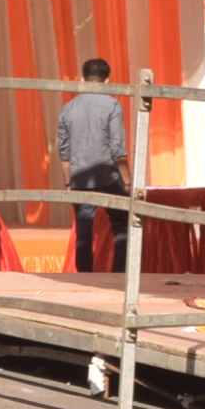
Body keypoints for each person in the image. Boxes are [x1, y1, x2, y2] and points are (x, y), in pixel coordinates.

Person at [56, 57, 129, 275]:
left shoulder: (68, 108)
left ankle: (85, 276)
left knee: (83, 230)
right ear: (108, 80)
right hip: (108, 175)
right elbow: (117, 147)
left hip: (79, 177)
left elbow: (64, 150)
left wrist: (69, 181)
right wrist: (127, 180)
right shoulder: (112, 105)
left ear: (82, 78)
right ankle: (120, 275)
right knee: (123, 226)